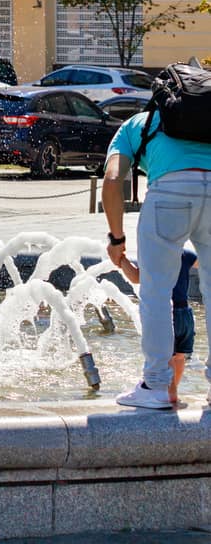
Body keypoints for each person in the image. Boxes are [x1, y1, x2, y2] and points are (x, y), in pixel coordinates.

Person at [104, 103, 211, 409]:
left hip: (169, 195)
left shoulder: (139, 123)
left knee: (155, 291)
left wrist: (116, 239)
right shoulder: (208, 120)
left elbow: (113, 181)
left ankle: (155, 385)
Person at [118, 248, 198, 403]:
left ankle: (170, 392)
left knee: (166, 355)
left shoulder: (155, 252)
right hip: (185, 313)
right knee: (180, 356)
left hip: (167, 312)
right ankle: (174, 391)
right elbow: (202, 264)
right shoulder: (185, 254)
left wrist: (121, 260)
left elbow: (136, 277)